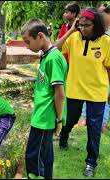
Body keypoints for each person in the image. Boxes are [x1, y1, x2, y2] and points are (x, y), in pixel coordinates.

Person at [54, 8, 110, 177]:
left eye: (87, 25)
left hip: (97, 92)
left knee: (94, 128)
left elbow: (109, 68)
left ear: (96, 25)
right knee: (70, 120)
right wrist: (71, 30)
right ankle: (64, 135)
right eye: (81, 25)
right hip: (75, 89)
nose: (83, 28)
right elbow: (54, 48)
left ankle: (91, 163)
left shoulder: (106, 41)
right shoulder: (73, 38)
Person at [21, 19, 68, 179]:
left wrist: (59, 120)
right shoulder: (47, 55)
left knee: (34, 159)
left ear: (40, 36)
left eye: (28, 42)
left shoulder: (54, 58)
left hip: (44, 118)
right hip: (42, 116)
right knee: (46, 157)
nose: (27, 46)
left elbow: (59, 93)